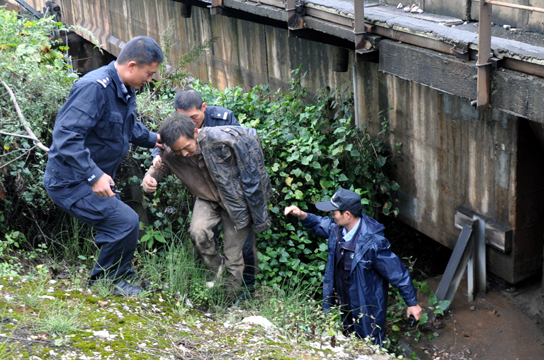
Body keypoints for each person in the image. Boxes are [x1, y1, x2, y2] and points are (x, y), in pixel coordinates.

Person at [43, 36, 164, 296]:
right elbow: (66, 137)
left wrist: (157, 139)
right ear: (132, 65)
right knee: (124, 222)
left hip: (90, 178)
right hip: (70, 180)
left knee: (121, 224)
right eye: (149, 73)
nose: (150, 79)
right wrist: (93, 175)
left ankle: (119, 277)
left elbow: (128, 127)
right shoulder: (94, 88)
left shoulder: (123, 88)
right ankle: (106, 282)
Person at [143, 113, 270, 302]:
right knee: (197, 232)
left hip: (235, 202)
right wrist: (149, 178)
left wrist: (257, 206)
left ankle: (229, 300)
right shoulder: (173, 152)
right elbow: (160, 165)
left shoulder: (221, 140)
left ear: (195, 132)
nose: (184, 154)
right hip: (207, 199)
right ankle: (217, 269)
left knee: (233, 256)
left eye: (187, 147)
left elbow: (251, 152)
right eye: (178, 151)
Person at [284, 188, 422, 346]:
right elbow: (319, 224)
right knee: (346, 343)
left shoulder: (372, 242)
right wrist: (301, 215)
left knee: (370, 346)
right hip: (342, 304)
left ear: (347, 215)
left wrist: (412, 303)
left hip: (366, 309)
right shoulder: (337, 229)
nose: (331, 216)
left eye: (334, 212)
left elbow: (397, 272)